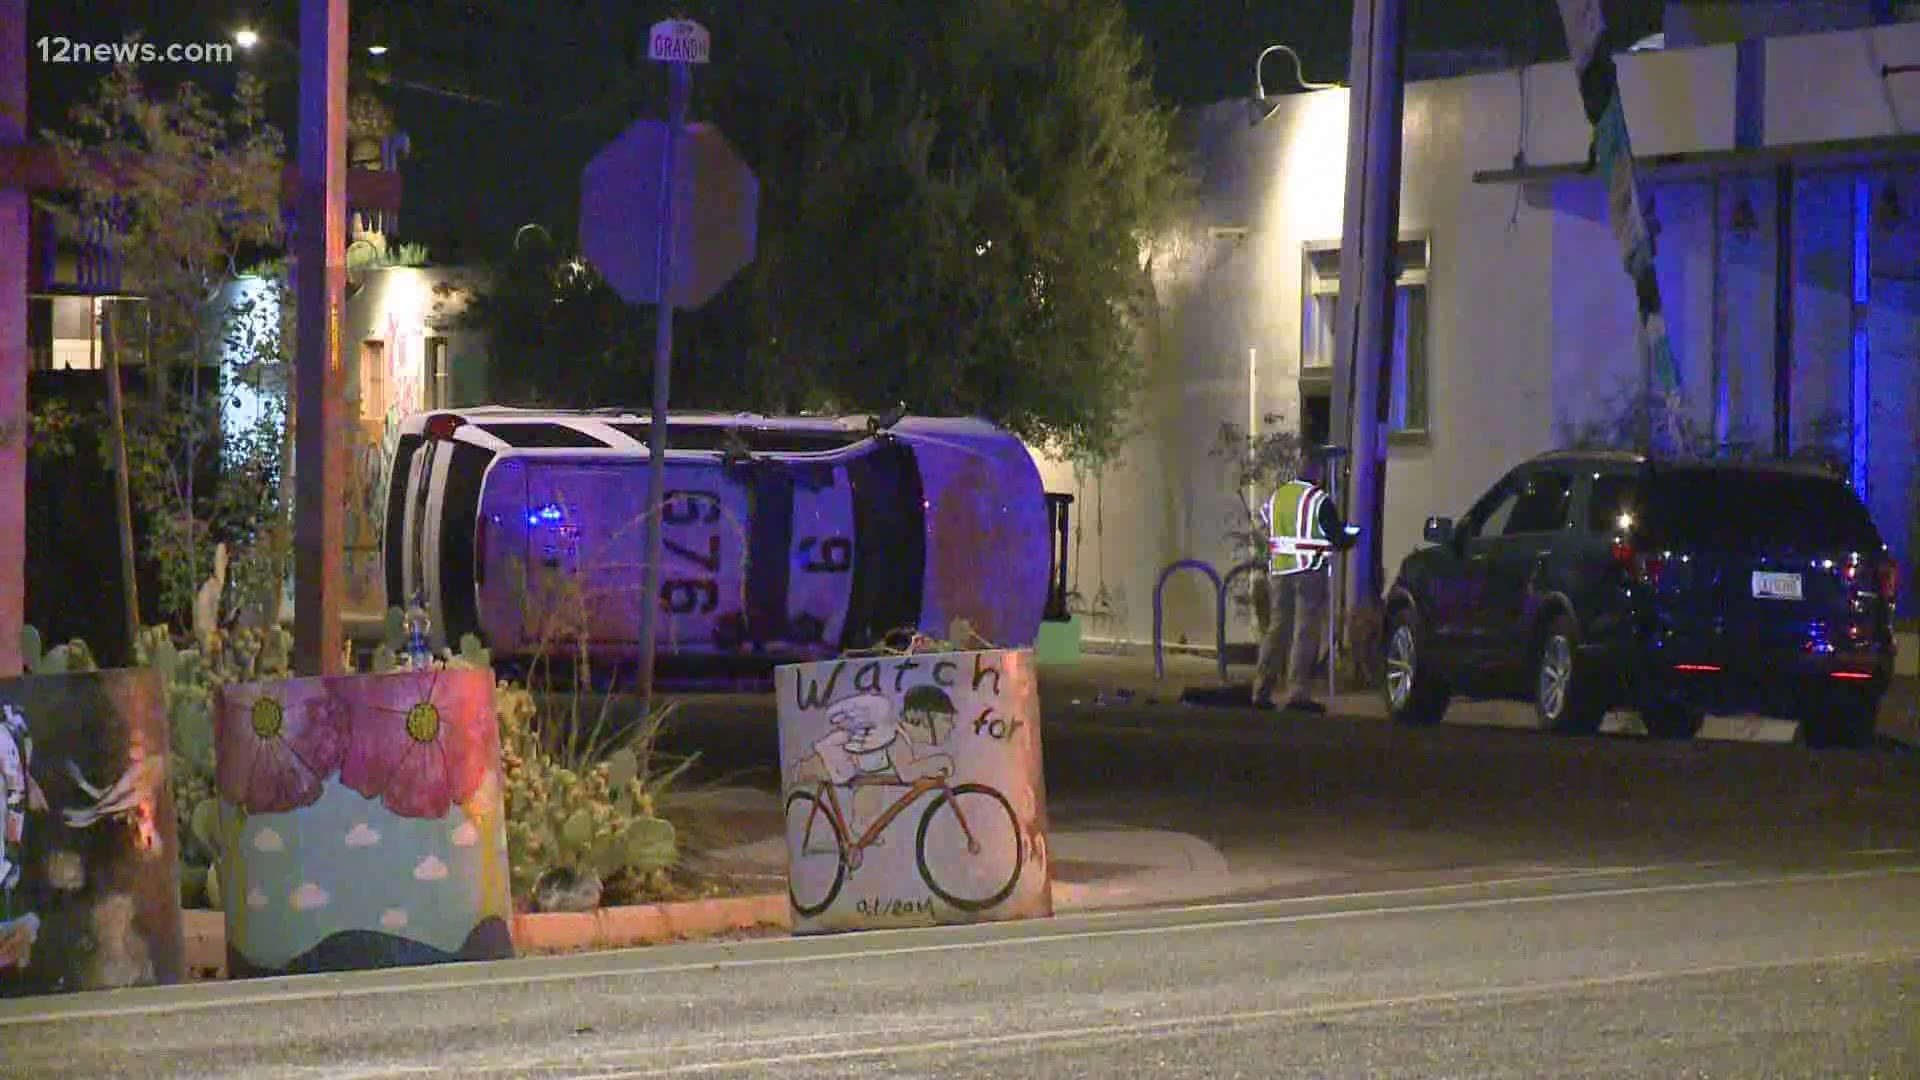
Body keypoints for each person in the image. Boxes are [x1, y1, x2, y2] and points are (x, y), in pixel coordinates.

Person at [1253, 452, 1359, 712]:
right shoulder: (1318, 499)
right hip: (1308, 571)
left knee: (1277, 628)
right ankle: (1297, 692)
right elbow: (1337, 537)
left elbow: (1264, 526)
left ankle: (1261, 688)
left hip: (1279, 572)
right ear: (1317, 473)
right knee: (1305, 630)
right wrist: (1351, 536)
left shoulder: (1278, 496)